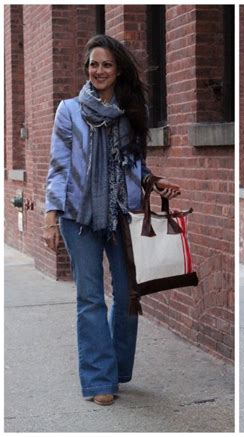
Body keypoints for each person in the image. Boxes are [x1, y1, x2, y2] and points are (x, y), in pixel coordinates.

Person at [43, 34, 180, 406]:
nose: (98, 70)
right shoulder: (69, 110)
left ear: (118, 69)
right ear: (86, 69)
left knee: (127, 296)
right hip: (79, 217)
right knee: (90, 298)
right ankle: (98, 380)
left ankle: (115, 367)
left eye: (105, 64)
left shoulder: (130, 113)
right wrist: (50, 215)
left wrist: (154, 181)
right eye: (92, 64)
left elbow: (134, 165)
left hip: (123, 216)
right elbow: (58, 167)